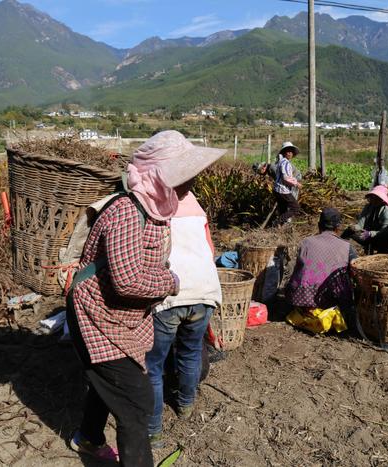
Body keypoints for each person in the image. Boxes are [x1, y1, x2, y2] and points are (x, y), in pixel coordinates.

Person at [65, 130, 226, 466]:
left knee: (109, 381)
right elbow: (128, 281)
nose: (188, 183)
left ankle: (88, 438)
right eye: (181, 176)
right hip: (96, 315)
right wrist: (170, 281)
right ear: (155, 178)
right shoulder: (126, 211)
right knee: (136, 402)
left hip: (122, 316)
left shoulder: (154, 210)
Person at [145, 189, 222, 449]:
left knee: (153, 364)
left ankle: (153, 431)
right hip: (204, 290)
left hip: (171, 292)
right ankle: (186, 406)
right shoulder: (196, 207)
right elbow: (210, 251)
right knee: (190, 351)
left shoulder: (152, 205)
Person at [286, 208, 357, 313]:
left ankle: (306, 309)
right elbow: (355, 271)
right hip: (334, 301)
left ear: (319, 225)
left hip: (301, 299)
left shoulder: (306, 242)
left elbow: (299, 269)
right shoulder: (347, 247)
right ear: (338, 227)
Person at [346, 184, 388, 254]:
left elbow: (386, 231)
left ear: (381, 199)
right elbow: (360, 224)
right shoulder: (368, 207)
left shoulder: (386, 210)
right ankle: (340, 247)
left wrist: (371, 233)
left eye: (376, 197)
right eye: (372, 197)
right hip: (367, 235)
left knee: (384, 240)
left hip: (381, 238)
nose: (374, 200)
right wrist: (354, 227)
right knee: (348, 231)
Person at [273, 141, 302, 225]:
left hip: (277, 190)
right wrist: (297, 184)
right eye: (287, 152)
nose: (289, 153)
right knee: (296, 208)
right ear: (284, 153)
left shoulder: (281, 162)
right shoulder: (285, 163)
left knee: (283, 209)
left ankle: (279, 227)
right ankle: (277, 222)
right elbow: (286, 178)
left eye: (291, 152)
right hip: (283, 190)